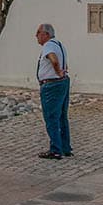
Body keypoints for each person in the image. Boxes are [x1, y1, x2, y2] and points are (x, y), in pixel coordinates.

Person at [35, 22, 72, 159]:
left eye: (38, 33)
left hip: (52, 85)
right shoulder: (59, 44)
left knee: (51, 117)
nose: (36, 36)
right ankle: (65, 147)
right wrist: (62, 71)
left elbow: (54, 60)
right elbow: (63, 62)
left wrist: (57, 71)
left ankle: (56, 149)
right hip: (62, 83)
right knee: (62, 116)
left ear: (46, 34)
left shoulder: (49, 45)